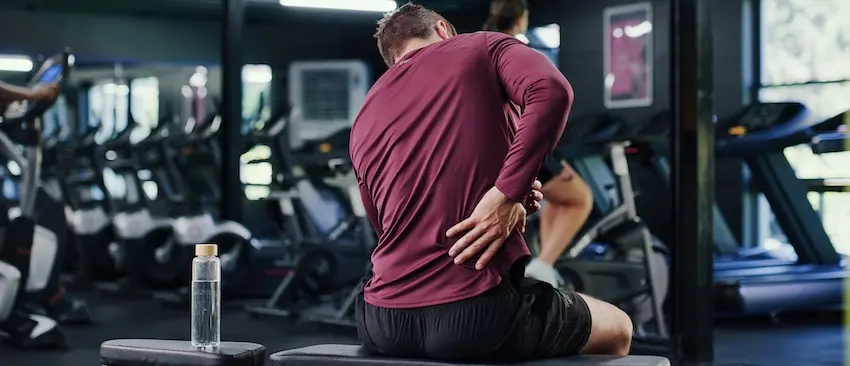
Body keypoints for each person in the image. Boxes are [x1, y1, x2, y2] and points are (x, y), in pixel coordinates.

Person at [350, 3, 633, 362]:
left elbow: (386, 224)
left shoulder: (366, 110)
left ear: (394, 61)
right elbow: (551, 89)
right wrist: (505, 193)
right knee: (619, 328)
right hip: (476, 316)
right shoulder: (483, 45)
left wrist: (509, 189)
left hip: (381, 323)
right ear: (442, 29)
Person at [483, 0, 594, 288]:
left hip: (496, 151)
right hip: (520, 152)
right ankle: (543, 266)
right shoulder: (516, 52)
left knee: (555, 200)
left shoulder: (481, 47)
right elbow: (533, 116)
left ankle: (542, 261)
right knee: (581, 199)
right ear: (521, 20)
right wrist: (554, 163)